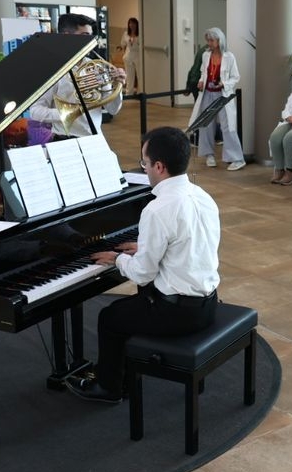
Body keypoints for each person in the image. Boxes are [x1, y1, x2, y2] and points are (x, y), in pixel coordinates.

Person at [76, 127, 220, 403]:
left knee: (110, 317)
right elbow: (188, 246)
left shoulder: (157, 209)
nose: (144, 169)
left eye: (144, 163)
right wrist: (143, 247)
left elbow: (142, 273)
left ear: (159, 167)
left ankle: (109, 388)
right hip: (208, 305)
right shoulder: (202, 195)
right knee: (139, 301)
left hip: (178, 314)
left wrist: (118, 258)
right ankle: (122, 372)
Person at [30, 13, 125, 140]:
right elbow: (35, 111)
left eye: (91, 36)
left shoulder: (97, 67)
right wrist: (66, 113)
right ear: (67, 36)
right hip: (64, 138)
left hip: (94, 137)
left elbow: (113, 110)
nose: (91, 41)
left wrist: (117, 86)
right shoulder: (52, 70)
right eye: (85, 35)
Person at [187, 27, 246, 170]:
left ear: (220, 41)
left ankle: (237, 159)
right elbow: (203, 72)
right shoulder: (205, 55)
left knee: (228, 127)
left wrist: (224, 84)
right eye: (208, 40)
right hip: (207, 93)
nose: (209, 43)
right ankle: (209, 155)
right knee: (206, 125)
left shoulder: (229, 57)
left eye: (212, 40)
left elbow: (235, 77)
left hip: (223, 95)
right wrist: (201, 81)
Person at [119, 17, 141, 96]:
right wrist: (123, 53)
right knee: (129, 76)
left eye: (133, 23)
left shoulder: (140, 34)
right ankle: (129, 93)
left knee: (140, 75)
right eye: (130, 23)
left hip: (138, 56)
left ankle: (140, 92)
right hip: (128, 56)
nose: (132, 25)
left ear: (137, 24)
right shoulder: (126, 34)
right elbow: (123, 44)